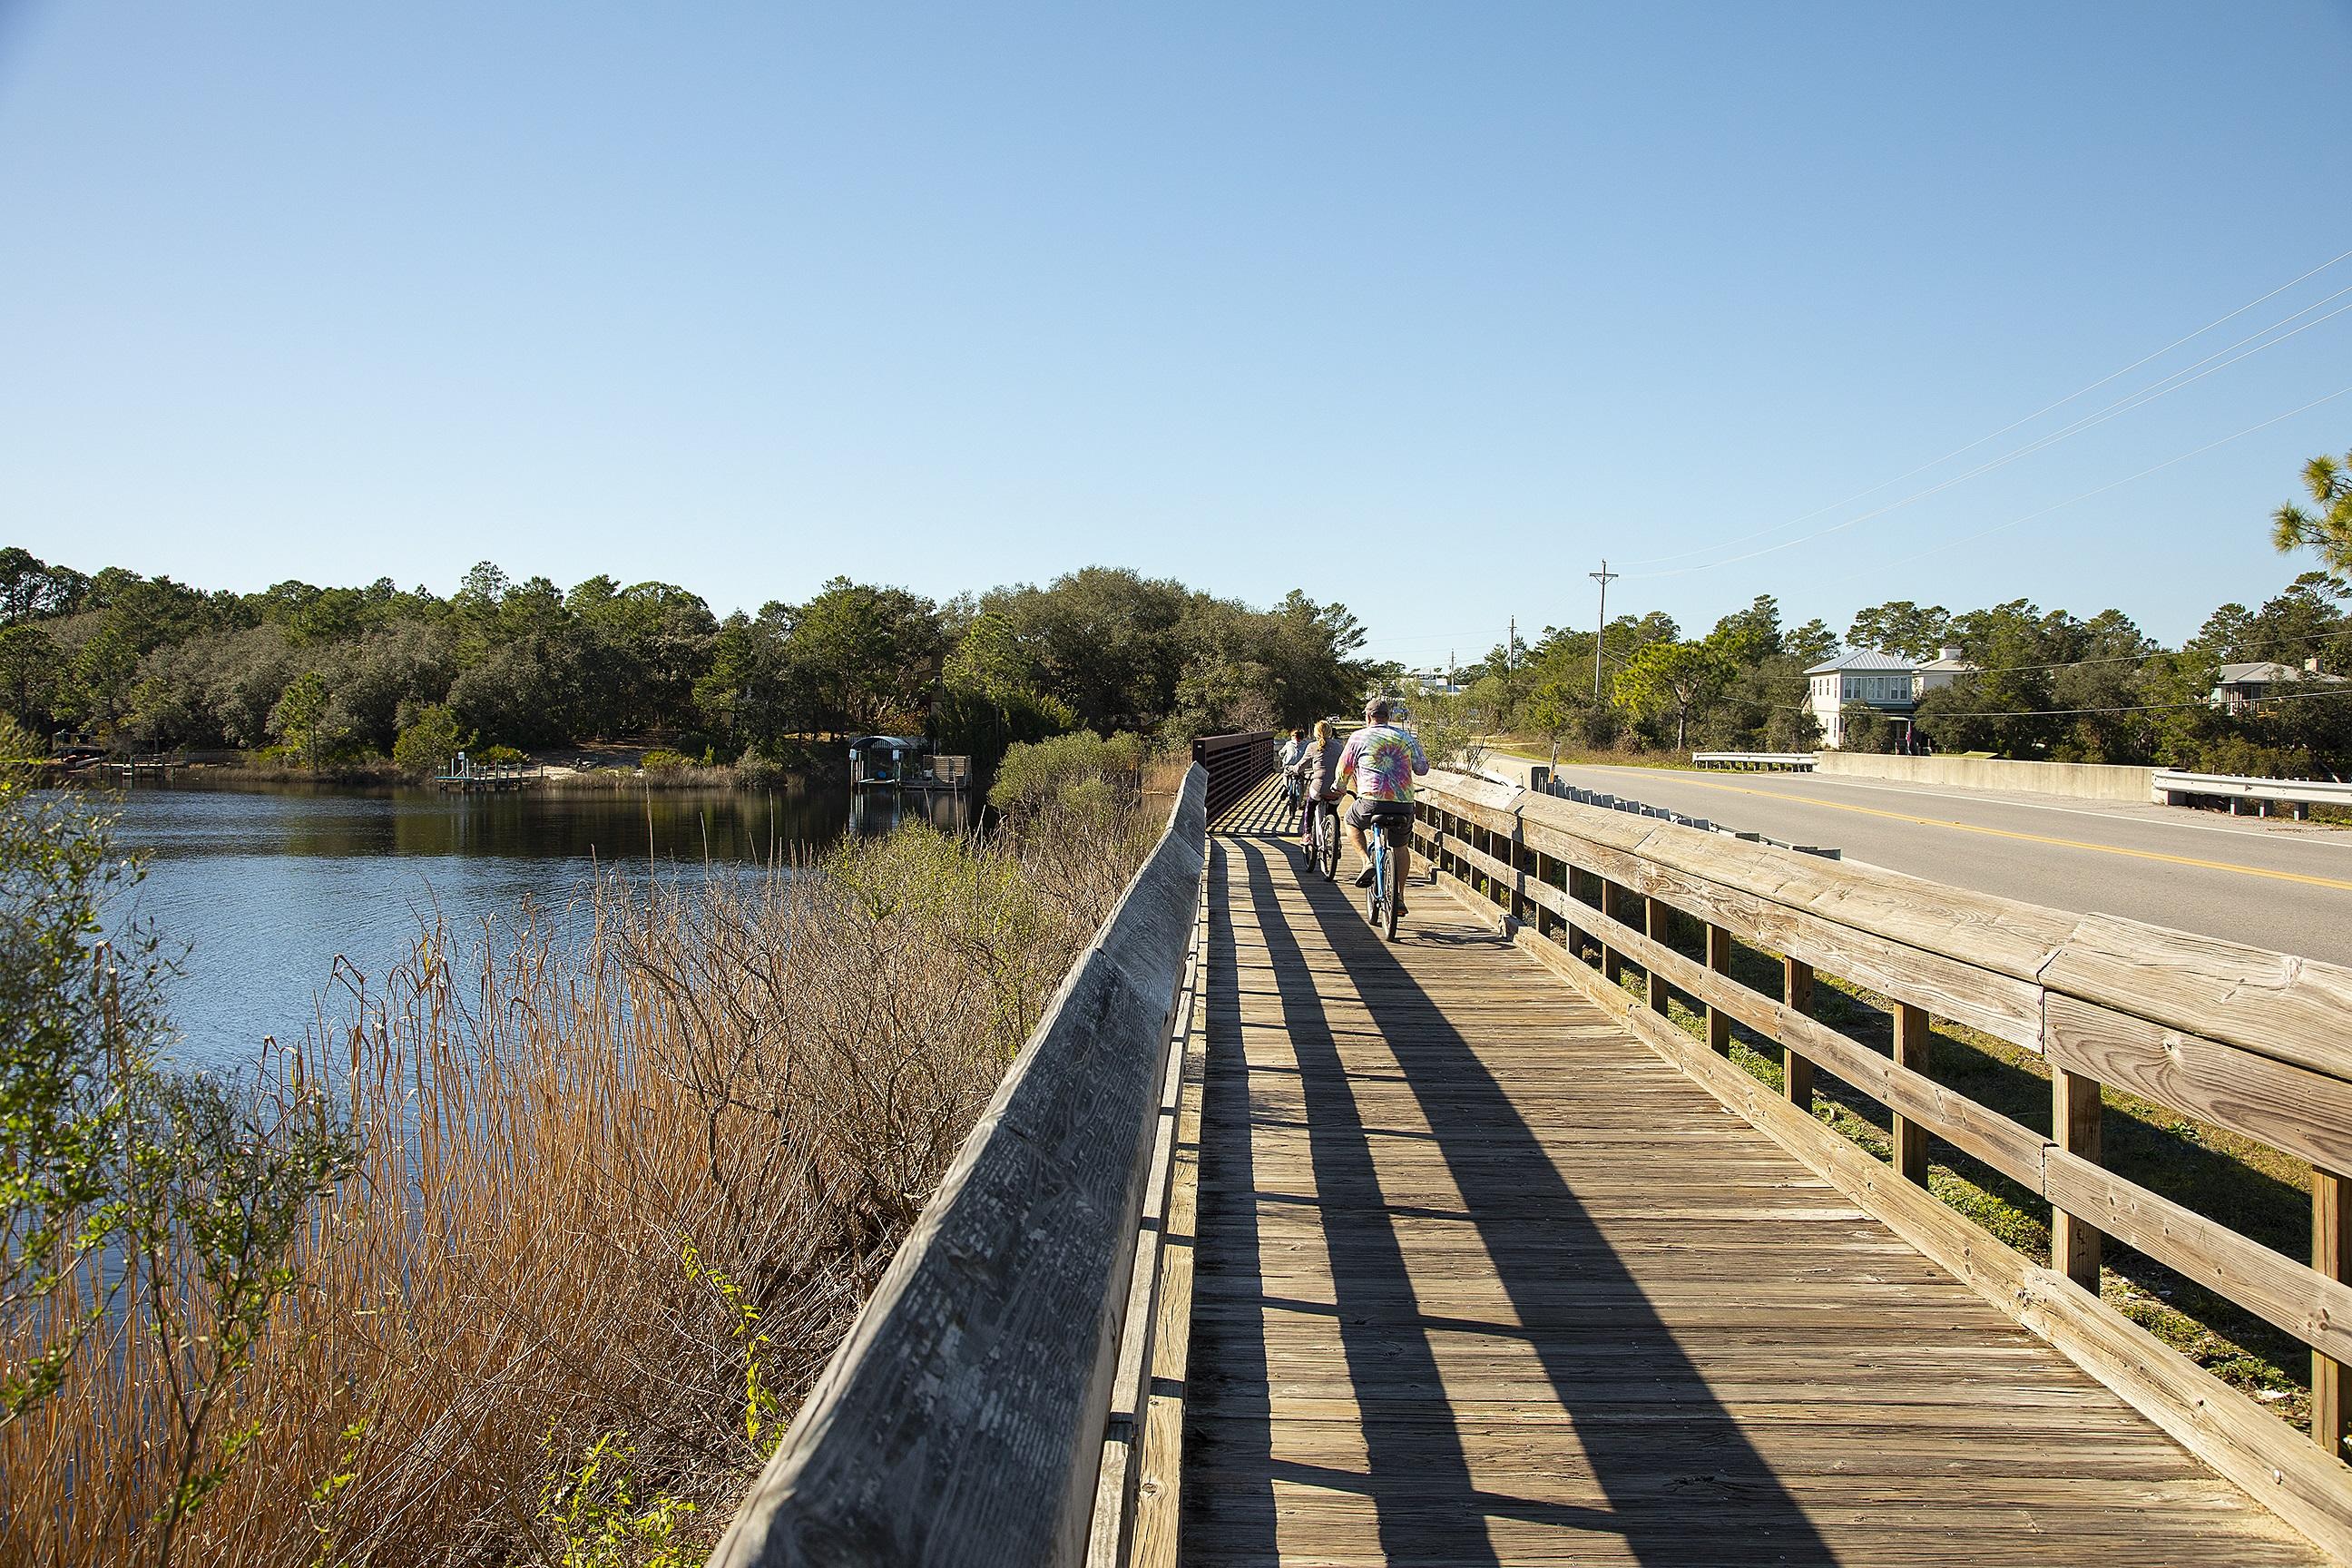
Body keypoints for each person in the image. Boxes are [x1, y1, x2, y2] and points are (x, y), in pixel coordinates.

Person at [1337, 698, 1429, 907]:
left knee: (1350, 821)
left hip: (1371, 801)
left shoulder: (1358, 737)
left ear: (1368, 716)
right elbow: (1422, 769)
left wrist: (1340, 787)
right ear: (1389, 717)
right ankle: (1399, 897)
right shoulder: (1405, 738)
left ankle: (1366, 861)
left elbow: (1344, 769)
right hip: (1402, 804)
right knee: (1401, 846)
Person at [1290, 719, 1344, 854]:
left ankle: (1307, 834)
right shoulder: (1339, 746)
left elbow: (1301, 766)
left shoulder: (1312, 746)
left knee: (1310, 804)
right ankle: (1336, 840)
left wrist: (1293, 769)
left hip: (1319, 786)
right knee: (1333, 810)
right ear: (1330, 732)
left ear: (1316, 733)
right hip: (1337, 787)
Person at [1278, 726, 1308, 828]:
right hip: (1300, 767)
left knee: (1285, 775)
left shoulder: (1288, 744)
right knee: (1302, 780)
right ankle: (1301, 800)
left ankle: (1286, 787)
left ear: (1292, 737)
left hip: (1289, 766)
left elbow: (1281, 753)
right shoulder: (1306, 744)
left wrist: (1282, 755)